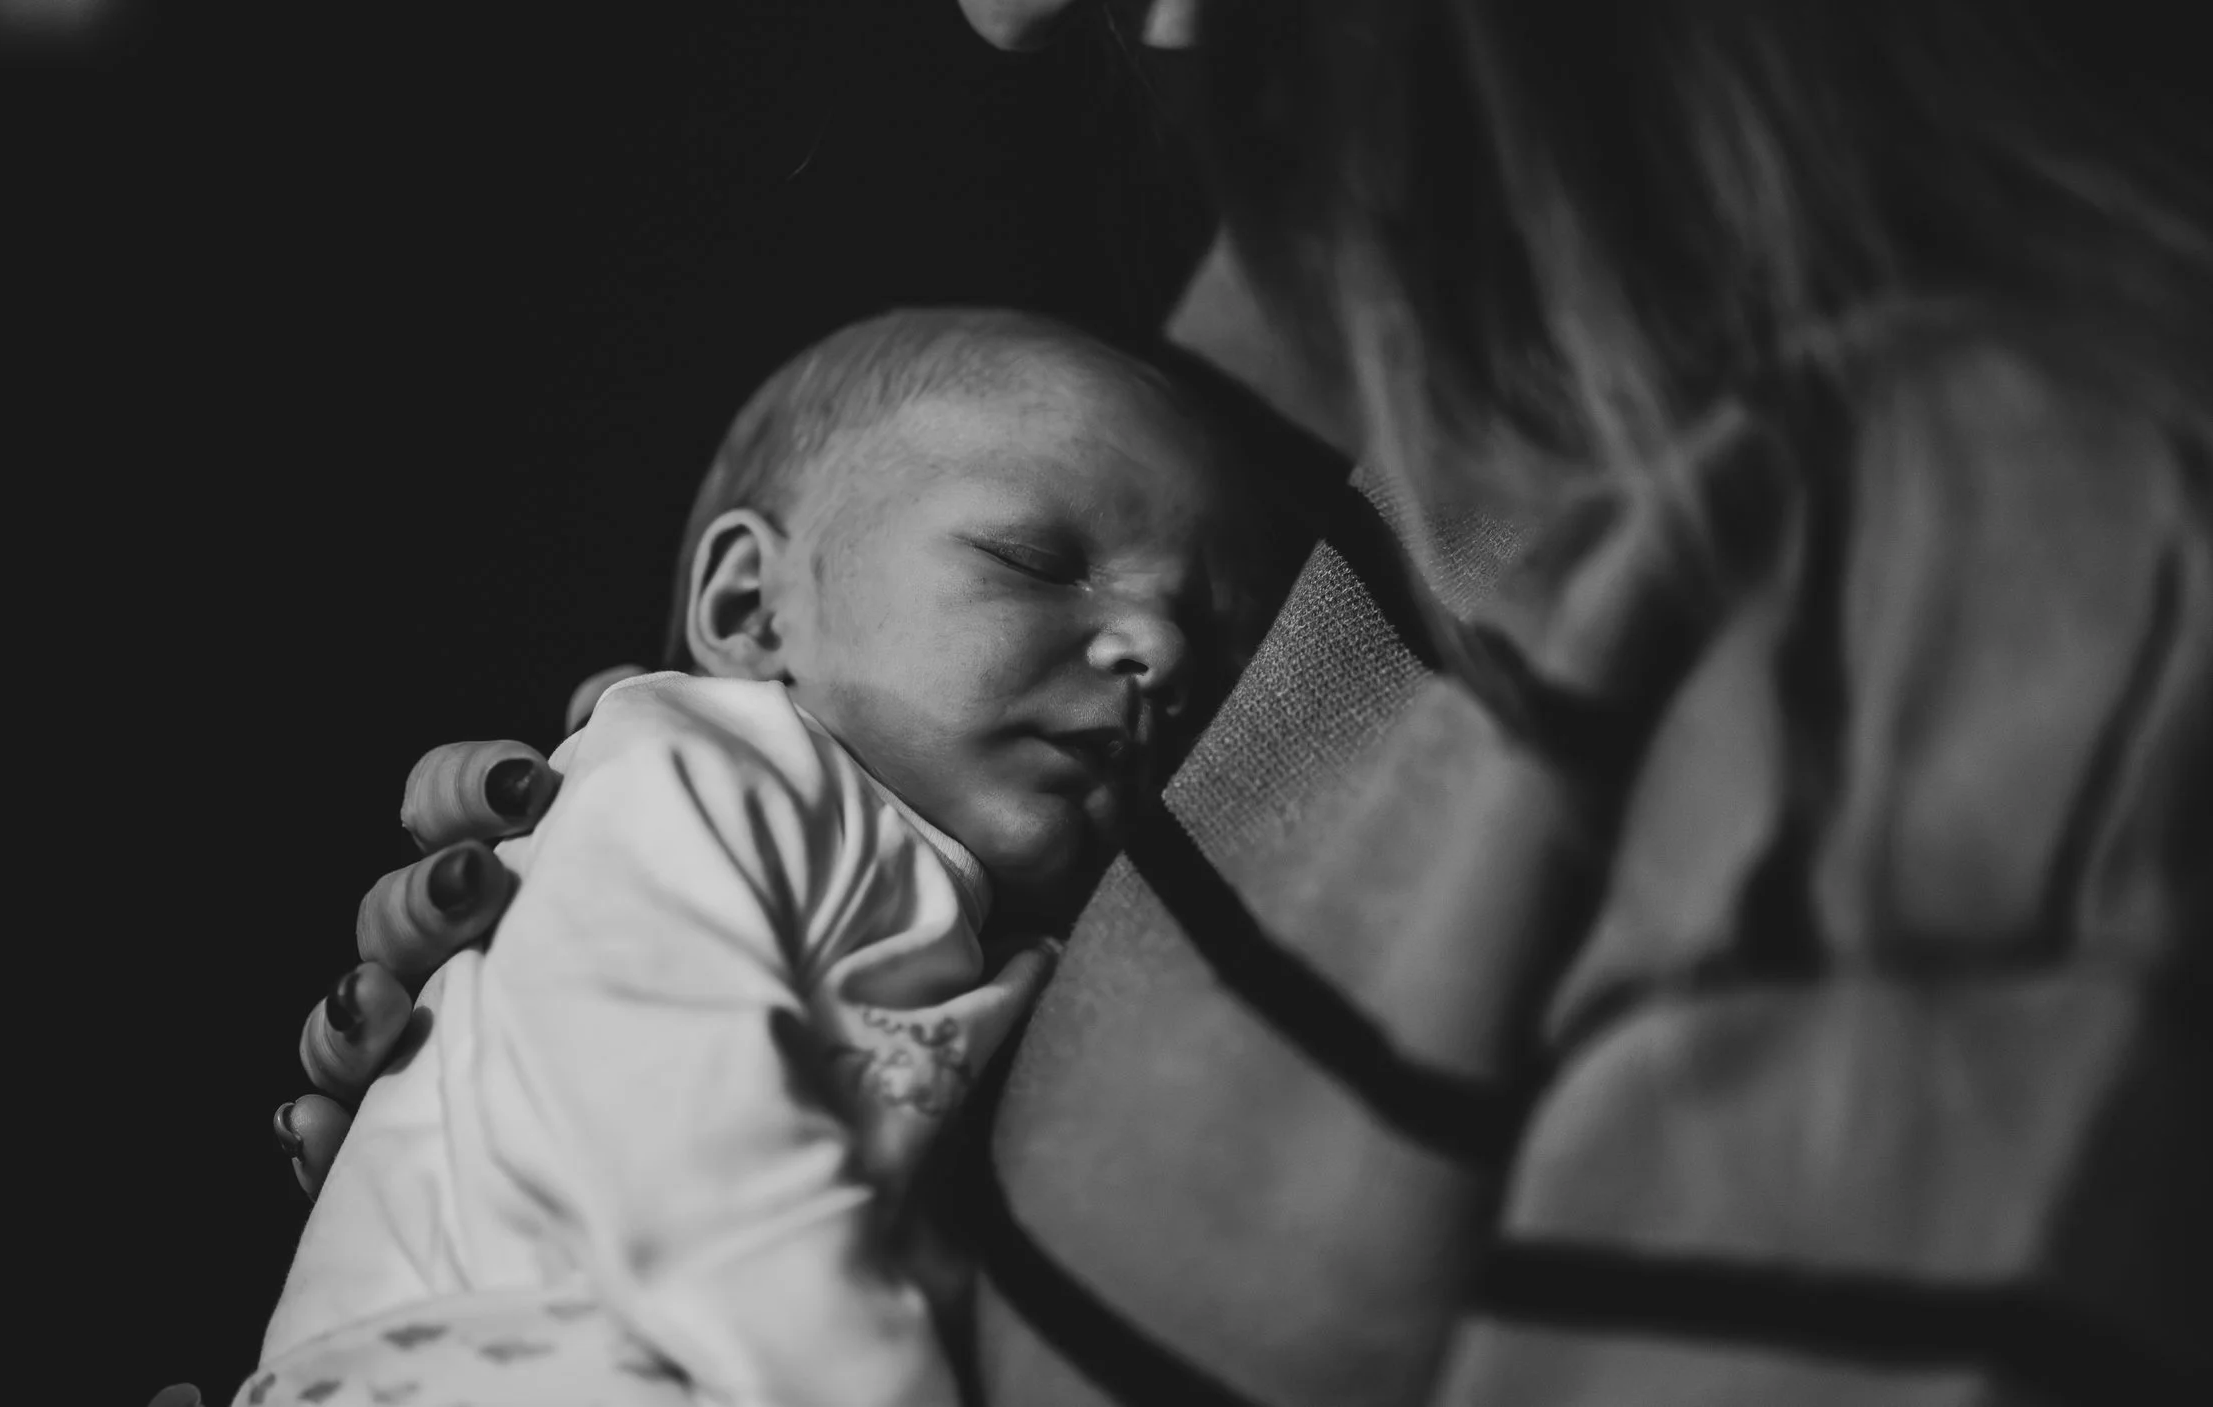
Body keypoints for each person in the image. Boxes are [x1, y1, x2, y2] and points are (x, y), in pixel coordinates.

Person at [277, 2, 2213, 1404]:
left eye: (1186, 638)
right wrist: (481, 1137)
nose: (1008, 14)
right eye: (1035, 567)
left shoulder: (1982, 568)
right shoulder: (1280, 327)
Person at [246, 307, 1290, 1407]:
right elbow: (679, 1130)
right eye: (1036, 561)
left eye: (1217, 656)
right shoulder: (701, 774)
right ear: (750, 607)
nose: (1162, 652)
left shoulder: (1024, 947)